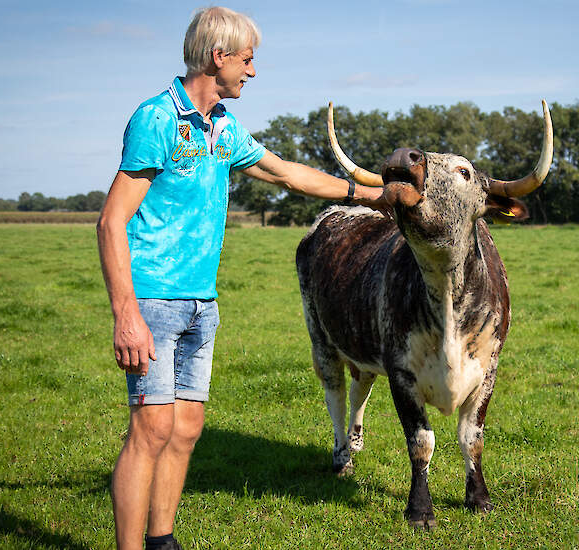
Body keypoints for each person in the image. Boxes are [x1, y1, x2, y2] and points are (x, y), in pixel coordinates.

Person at [96, 7, 386, 550]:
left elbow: (286, 174)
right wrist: (126, 316)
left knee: (185, 431)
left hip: (202, 303)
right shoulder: (157, 119)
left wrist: (369, 196)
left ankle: (163, 541)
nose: (252, 72)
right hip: (153, 300)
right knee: (151, 431)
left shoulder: (223, 127)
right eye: (247, 60)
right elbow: (111, 222)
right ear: (218, 57)